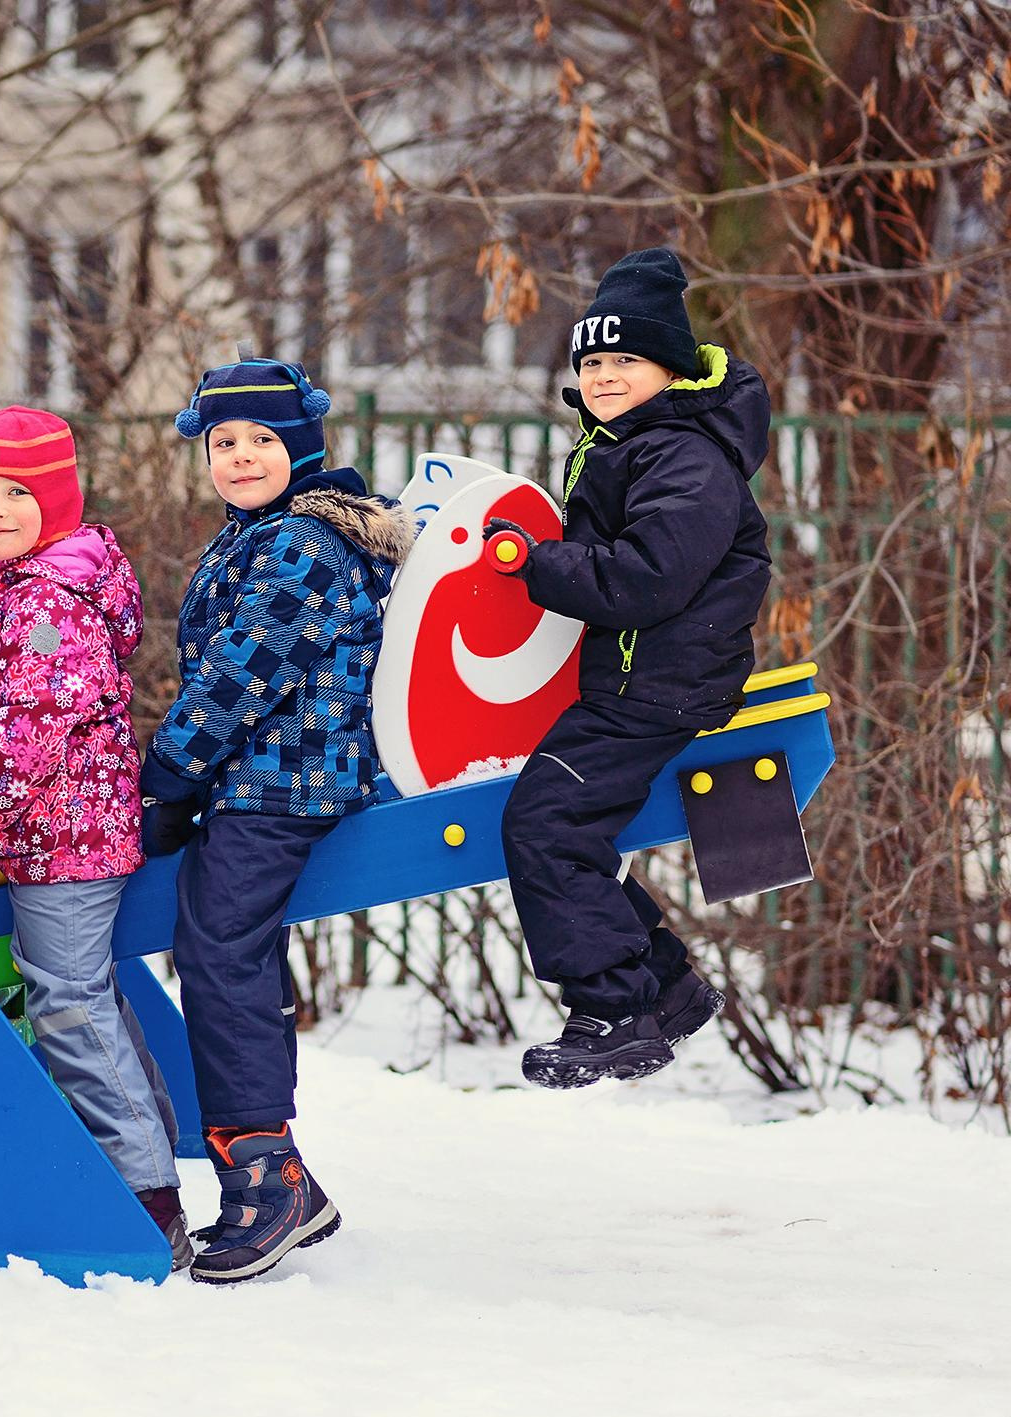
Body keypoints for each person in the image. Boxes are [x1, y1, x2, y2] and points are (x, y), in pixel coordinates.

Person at [140, 357, 411, 1284]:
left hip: (285, 784)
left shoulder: (300, 544)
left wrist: (171, 775)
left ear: (303, 445)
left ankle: (268, 1177)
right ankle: (265, 1171)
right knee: (231, 955)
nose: (242, 456)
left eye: (263, 440)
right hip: (263, 780)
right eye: (225, 443)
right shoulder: (258, 533)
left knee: (218, 951)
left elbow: (238, 677)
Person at [481, 246, 771, 1089]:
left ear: (669, 371)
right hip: (641, 678)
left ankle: (613, 1009)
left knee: (547, 827)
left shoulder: (684, 458)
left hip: (656, 688)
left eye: (626, 360)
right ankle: (668, 989)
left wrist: (532, 563)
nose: (605, 375)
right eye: (593, 360)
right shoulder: (632, 444)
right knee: (566, 827)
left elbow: (647, 576)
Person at [0, 406, 190, 1269]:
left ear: (58, 500)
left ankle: (147, 1201)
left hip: (66, 836)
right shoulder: (0, 582)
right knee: (84, 996)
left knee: (68, 1004)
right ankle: (143, 1166)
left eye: (17, 493)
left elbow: (27, 730)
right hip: (39, 833)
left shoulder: (46, 600)